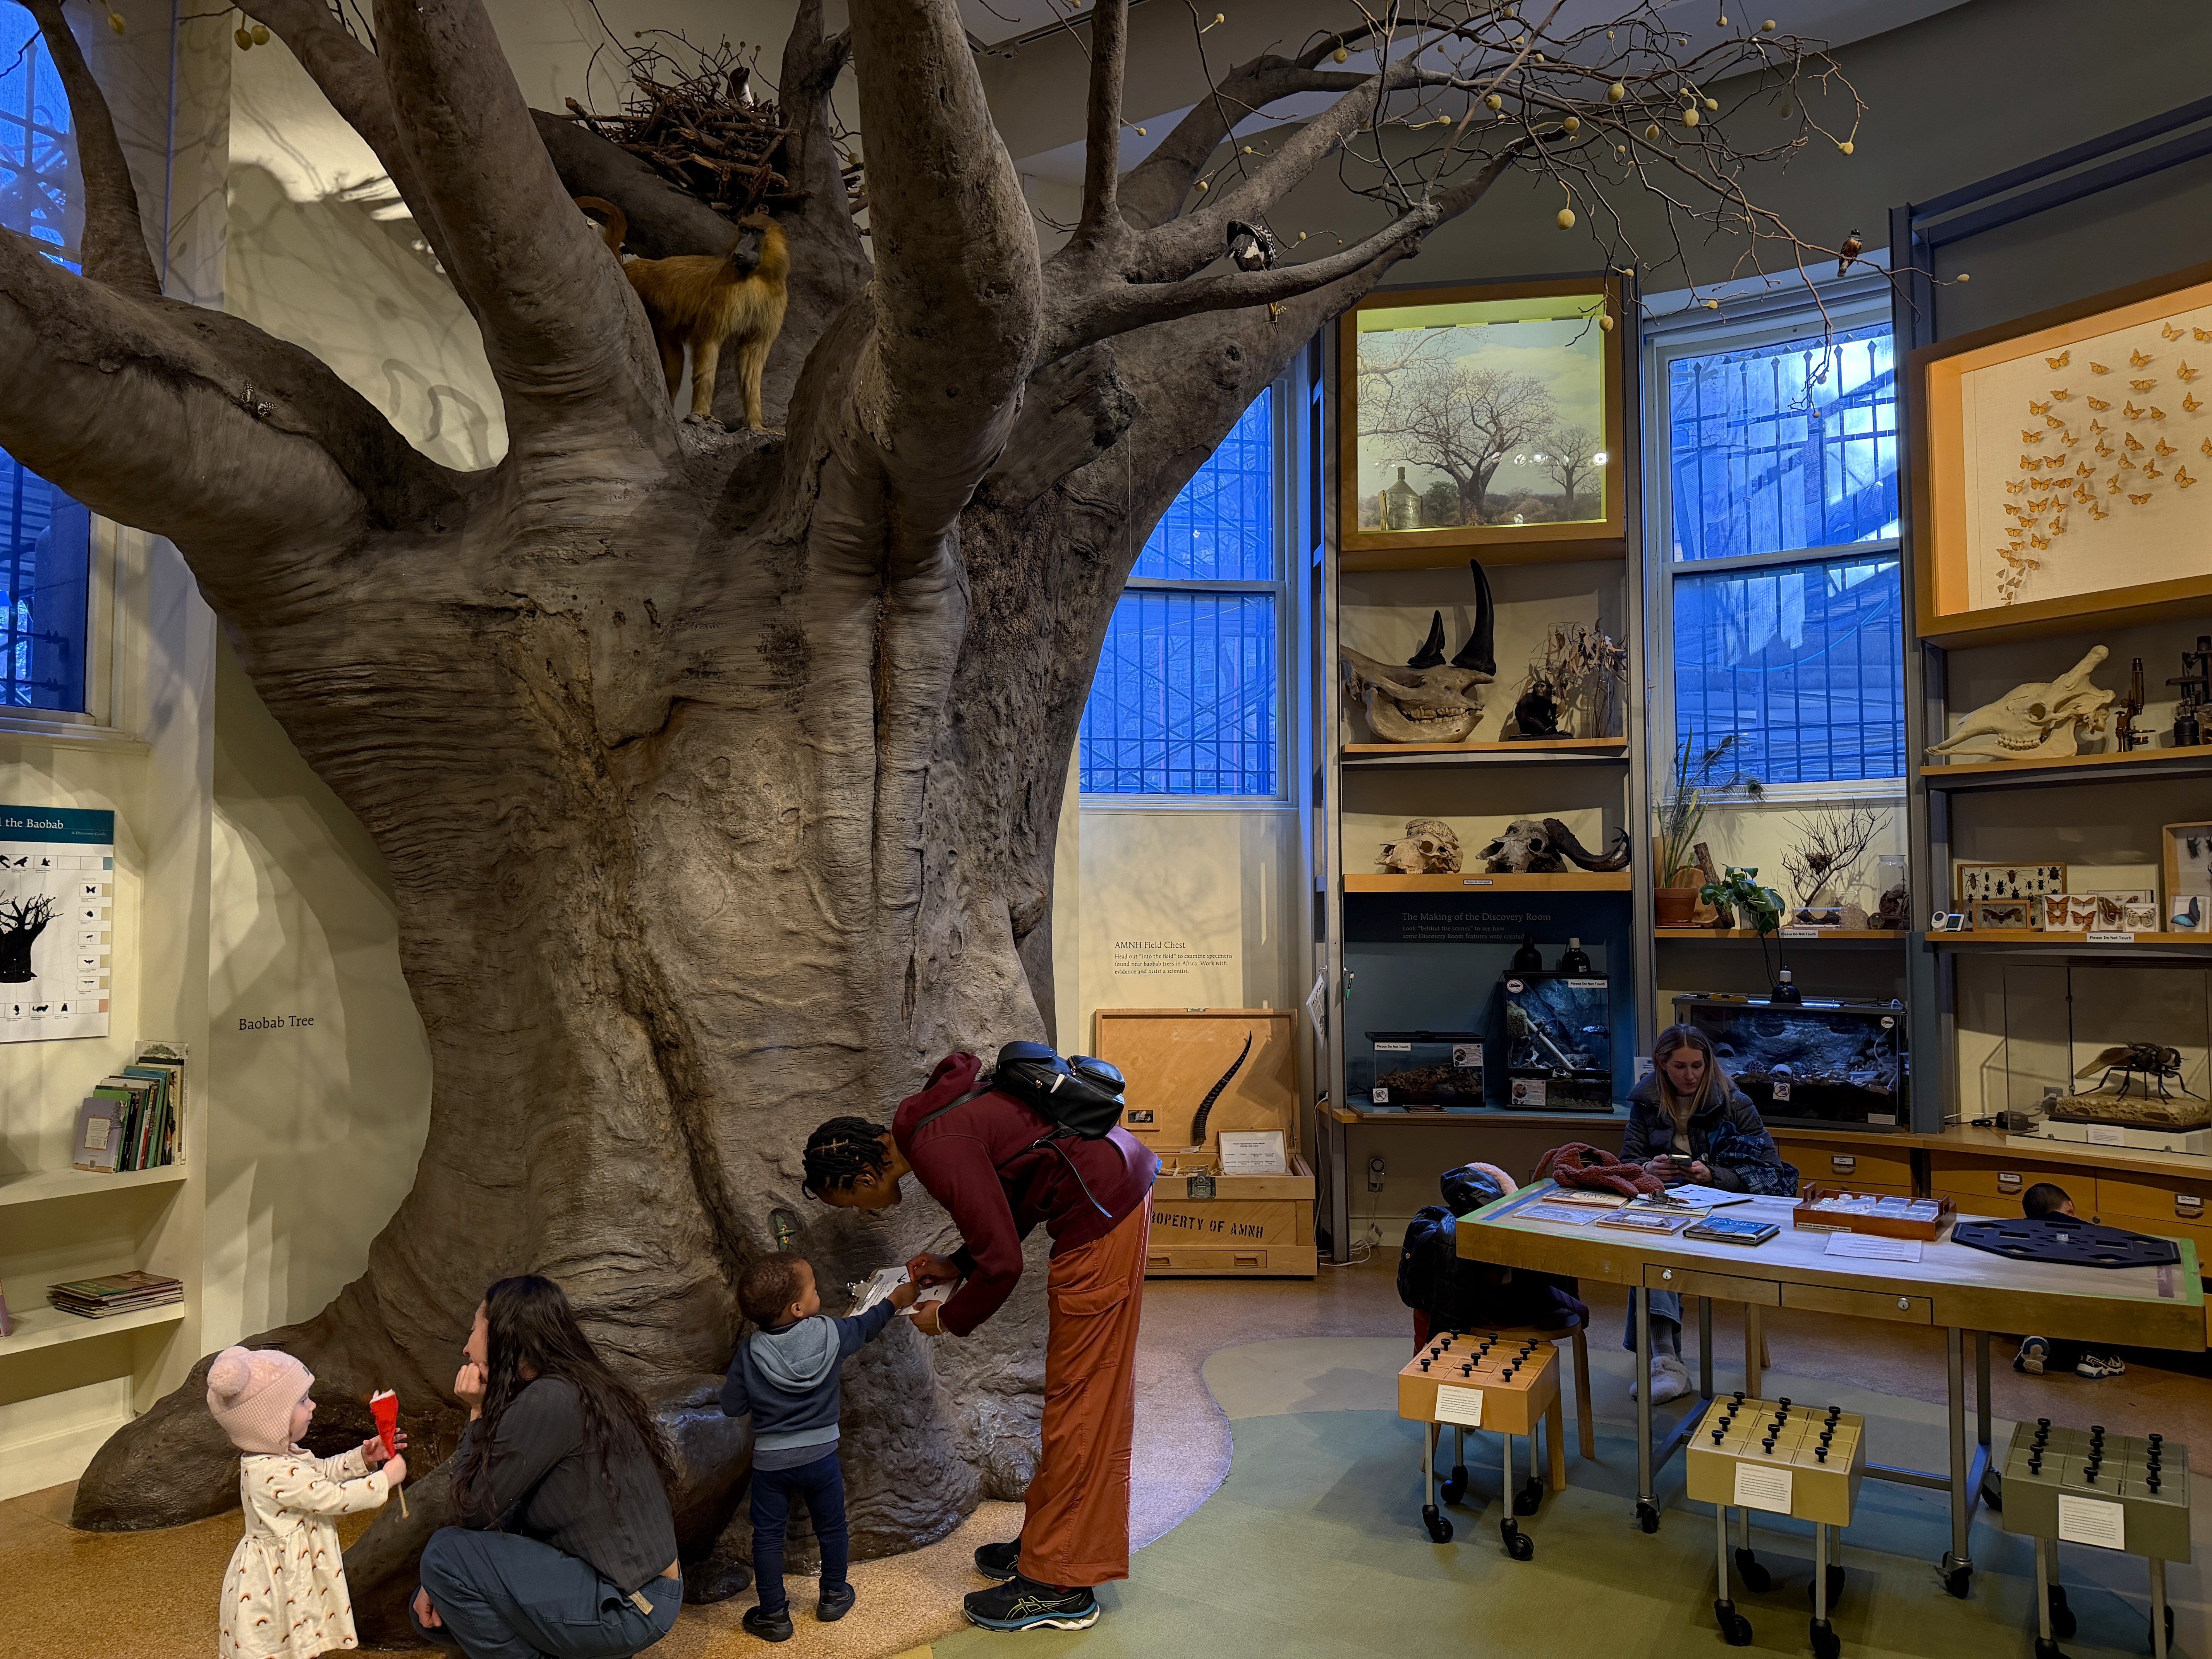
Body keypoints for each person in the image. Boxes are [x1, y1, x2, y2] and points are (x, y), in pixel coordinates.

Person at [802, 1049, 1159, 1633]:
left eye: (853, 1205)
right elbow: (1013, 1196)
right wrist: (957, 1263)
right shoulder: (925, 1124)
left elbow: (1005, 1264)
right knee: (1073, 1400)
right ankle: (1045, 1548)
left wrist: (948, 1319)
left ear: (865, 1178)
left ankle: (1060, 1586)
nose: (865, 1213)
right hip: (1110, 1187)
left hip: (1104, 1211)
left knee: (1082, 1404)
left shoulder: (936, 1150)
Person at [409, 1276, 684, 1659]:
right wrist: (438, 1582)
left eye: (474, 1330)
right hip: (635, 1593)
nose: (466, 1347)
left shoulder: (550, 1399)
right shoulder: (568, 1386)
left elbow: (470, 1509)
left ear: (504, 1337)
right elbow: (497, 1511)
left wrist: (476, 1414)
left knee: (442, 1557)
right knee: (436, 1590)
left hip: (630, 1605)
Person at [723, 1252, 917, 1641]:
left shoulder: (750, 1352)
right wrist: (895, 1300)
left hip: (772, 1465)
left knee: (768, 1537)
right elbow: (865, 1326)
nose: (819, 1294)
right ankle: (833, 1595)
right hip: (822, 1459)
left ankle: (774, 1615)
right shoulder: (830, 1332)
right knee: (832, 1528)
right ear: (798, 1309)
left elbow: (733, 1406)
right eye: (813, 1289)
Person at [1620, 1024, 1786, 1403]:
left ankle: (1663, 1358)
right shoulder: (1645, 1104)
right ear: (1661, 1064)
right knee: (1649, 1238)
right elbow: (1628, 1162)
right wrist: (1648, 1169)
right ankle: (1667, 1358)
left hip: (1726, 1207)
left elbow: (1772, 1172)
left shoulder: (1735, 1103)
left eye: (1698, 1065)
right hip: (1668, 1203)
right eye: (1680, 1066)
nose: (1690, 1075)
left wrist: (1715, 1175)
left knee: (1659, 1240)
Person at [208, 1345, 406, 1659]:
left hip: (292, 1564)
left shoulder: (280, 1458)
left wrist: (364, 1459)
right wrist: (384, 1480)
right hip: (282, 1577)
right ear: (271, 1419)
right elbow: (332, 1498)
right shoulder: (275, 1471)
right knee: (287, 1640)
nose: (313, 1406)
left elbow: (322, 1473)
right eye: (302, 1401)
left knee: (299, 1638)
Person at [2013, 1184, 2125, 1380]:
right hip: (2086, 1316)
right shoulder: (2095, 1234)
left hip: (2040, 1312)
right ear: (2070, 1207)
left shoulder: (2020, 1234)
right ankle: (2096, 1357)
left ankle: (2036, 1341)